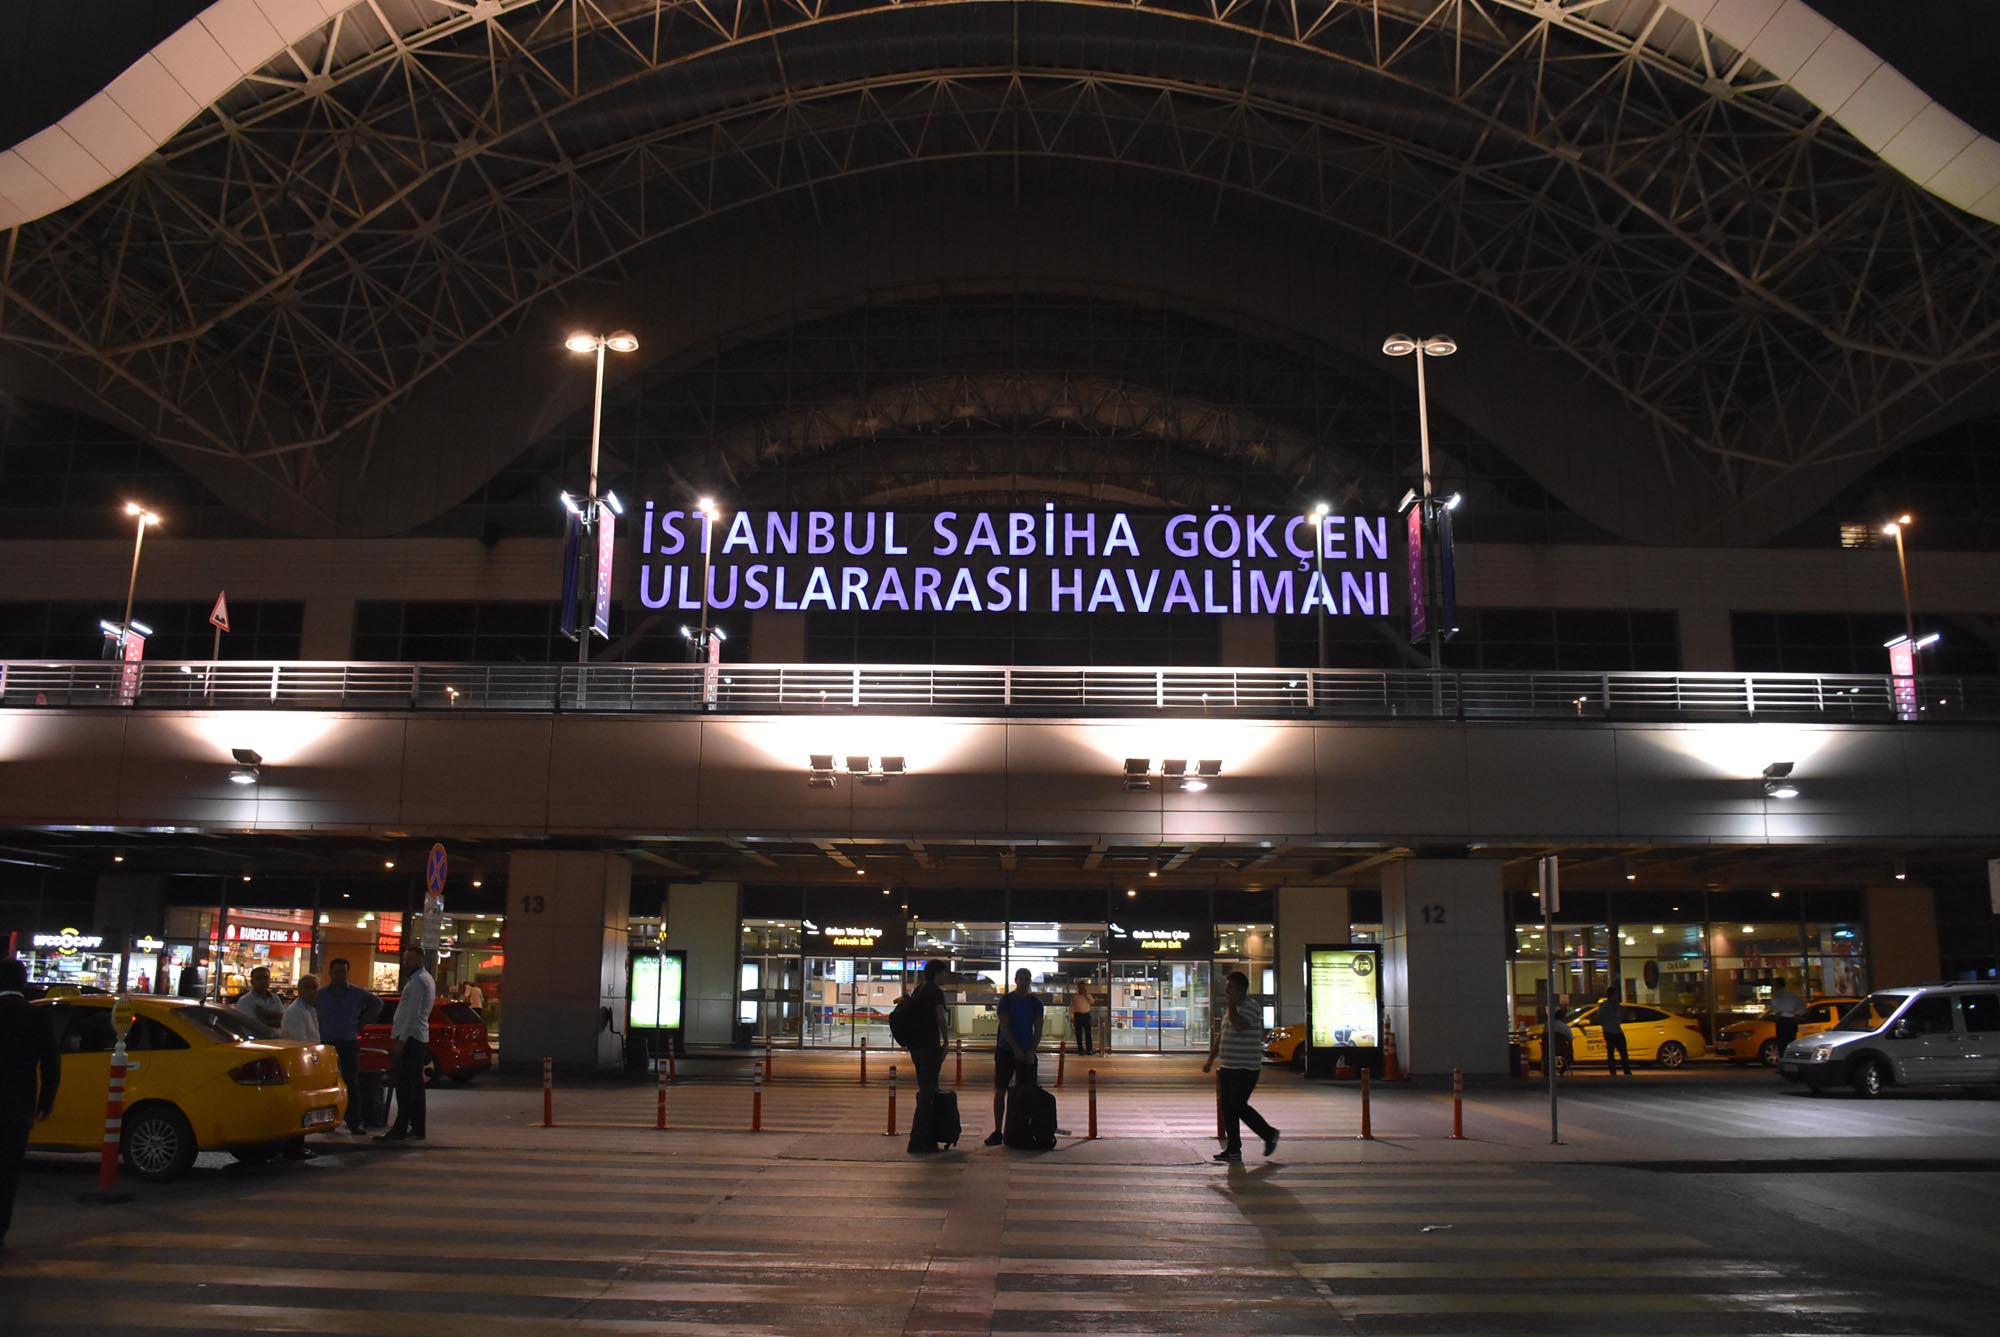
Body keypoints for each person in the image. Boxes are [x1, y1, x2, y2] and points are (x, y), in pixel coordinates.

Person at [1, 957, 60, 1251]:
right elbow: (51, 1063)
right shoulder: (36, 1017)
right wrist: (46, 1100)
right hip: (17, 1109)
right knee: (8, 1174)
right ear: (23, 984)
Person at [1203, 970, 1279, 1164]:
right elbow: (1223, 1035)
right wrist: (1211, 1060)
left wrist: (1231, 1006)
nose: (1227, 990)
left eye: (1230, 986)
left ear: (1241, 989)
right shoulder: (1232, 1008)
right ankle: (1233, 1150)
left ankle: (1269, 1134)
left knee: (1237, 1105)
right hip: (1229, 1066)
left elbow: (1239, 1026)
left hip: (1246, 1068)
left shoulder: (1250, 1006)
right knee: (1228, 1109)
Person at [316, 958, 380, 1135]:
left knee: (351, 1082)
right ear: (330, 973)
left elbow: (377, 1003)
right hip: (327, 1043)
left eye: (343, 972)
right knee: (328, 1083)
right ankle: (327, 1122)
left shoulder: (357, 993)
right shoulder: (321, 995)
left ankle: (354, 1122)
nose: (340, 975)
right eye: (337, 972)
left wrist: (363, 1021)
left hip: (348, 1042)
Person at [378, 948, 434, 1143]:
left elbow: (413, 1013)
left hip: (411, 1038)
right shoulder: (423, 979)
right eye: (405, 959)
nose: (406, 963)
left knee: (405, 1086)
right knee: (415, 1086)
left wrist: (401, 1041)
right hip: (416, 1037)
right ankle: (417, 1127)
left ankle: (400, 1128)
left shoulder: (418, 981)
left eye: (410, 960)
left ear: (420, 960)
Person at [984, 968, 1043, 1147]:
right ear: (1016, 980)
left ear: (1030, 980)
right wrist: (1016, 1049)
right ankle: (998, 1130)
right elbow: (1005, 1027)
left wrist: (1032, 1050)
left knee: (1027, 1092)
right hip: (1006, 1051)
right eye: (1021, 978)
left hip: (1026, 1051)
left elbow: (1038, 1029)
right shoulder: (1006, 1001)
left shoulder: (1035, 1003)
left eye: (1027, 978)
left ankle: (1023, 1128)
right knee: (1000, 1090)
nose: (1024, 982)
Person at [904, 960, 951, 1155]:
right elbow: (940, 1017)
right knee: (927, 1093)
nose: (946, 977)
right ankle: (919, 1141)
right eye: (944, 973)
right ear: (938, 973)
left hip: (916, 1046)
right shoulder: (935, 991)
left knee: (926, 1090)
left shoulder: (919, 989)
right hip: (929, 1047)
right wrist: (946, 1042)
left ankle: (924, 1138)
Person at [234, 966, 285, 1031]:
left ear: (270, 980)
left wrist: (266, 1014)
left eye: (266, 978)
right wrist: (274, 1017)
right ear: (252, 982)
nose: (263, 981)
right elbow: (253, 1025)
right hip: (256, 1039)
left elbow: (283, 1020)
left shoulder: (275, 998)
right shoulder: (245, 1001)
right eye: (259, 978)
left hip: (277, 1038)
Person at [1598, 987, 1632, 1076]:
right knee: (1612, 1053)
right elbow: (1600, 1017)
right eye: (1615, 995)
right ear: (1610, 995)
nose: (1616, 997)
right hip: (1609, 1031)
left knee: (1623, 1052)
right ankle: (1614, 1071)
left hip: (1617, 1030)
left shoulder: (1617, 1005)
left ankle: (1626, 1071)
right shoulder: (1605, 1006)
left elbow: (1622, 1016)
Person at [1769, 978, 1806, 1056]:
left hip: (1782, 1020)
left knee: (1782, 1042)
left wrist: (1775, 1015)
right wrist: (1797, 1015)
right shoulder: (1792, 994)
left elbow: (1774, 1009)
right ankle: (1791, 1056)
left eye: (1774, 985)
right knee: (1791, 1040)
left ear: (1778, 985)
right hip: (1792, 1020)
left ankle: (1783, 1057)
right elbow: (1802, 1007)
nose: (1773, 987)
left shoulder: (1777, 995)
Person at [282, 974, 320, 1042]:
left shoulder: (311, 1008)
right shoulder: (295, 1012)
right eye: (307, 987)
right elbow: (300, 1043)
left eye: (314, 987)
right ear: (299, 990)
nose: (311, 991)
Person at [1548, 998, 1574, 1076]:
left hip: (1548, 1048)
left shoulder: (1547, 1026)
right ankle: (1563, 1070)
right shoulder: (1565, 1027)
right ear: (1562, 1017)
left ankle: (1547, 1070)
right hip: (1561, 1049)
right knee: (1570, 1054)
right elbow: (1570, 1038)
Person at [1069, 980, 1094, 1056]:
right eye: (1080, 986)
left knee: (1088, 1034)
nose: (1081, 988)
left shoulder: (1088, 995)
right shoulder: (1075, 996)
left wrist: (1086, 995)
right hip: (1078, 1015)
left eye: (1083, 986)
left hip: (1086, 1015)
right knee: (1078, 1034)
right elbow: (1072, 1007)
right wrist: (1072, 1016)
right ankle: (1080, 1050)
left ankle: (1089, 1050)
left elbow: (1092, 1002)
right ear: (1078, 987)